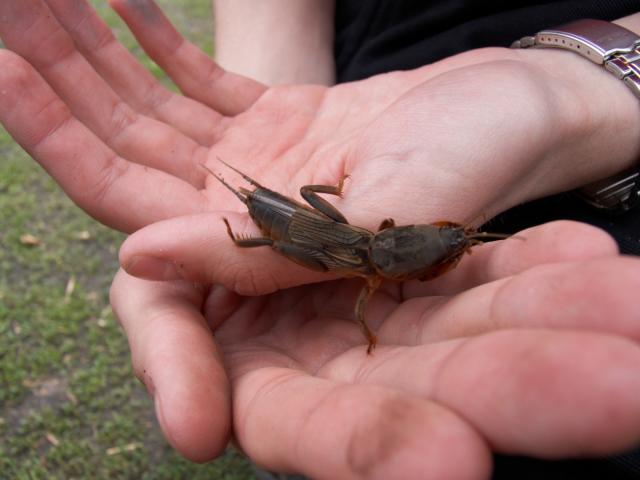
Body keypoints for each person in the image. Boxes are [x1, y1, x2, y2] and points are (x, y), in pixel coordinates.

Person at [0, 0, 639, 478]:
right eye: (446, 240)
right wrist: (272, 92)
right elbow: (365, 304)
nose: (448, 241)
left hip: (356, 165)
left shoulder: (386, 241)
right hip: (331, 138)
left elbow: (401, 248)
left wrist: (570, 91)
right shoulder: (373, 277)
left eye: (447, 242)